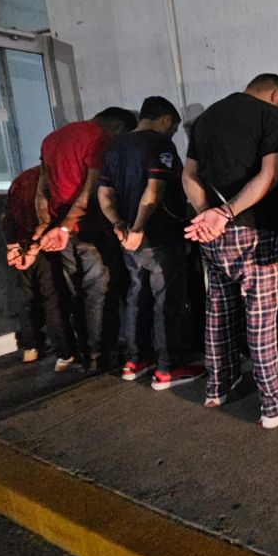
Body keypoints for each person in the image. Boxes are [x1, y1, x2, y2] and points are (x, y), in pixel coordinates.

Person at [182, 74, 278, 428]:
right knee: (263, 318)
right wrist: (225, 214)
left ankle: (217, 387)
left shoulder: (205, 118)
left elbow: (188, 175)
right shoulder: (272, 118)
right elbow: (270, 175)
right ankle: (273, 404)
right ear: (275, 95)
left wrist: (206, 216)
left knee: (218, 310)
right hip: (255, 232)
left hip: (212, 234)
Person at [98, 96, 204, 390]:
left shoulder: (114, 147)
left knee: (136, 296)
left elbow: (104, 195)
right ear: (166, 120)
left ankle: (136, 360)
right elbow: (154, 191)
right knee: (167, 300)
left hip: (128, 241)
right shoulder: (160, 144)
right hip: (159, 236)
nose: (172, 134)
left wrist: (120, 226)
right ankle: (169, 366)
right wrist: (138, 228)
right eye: (173, 128)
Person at [35, 107, 137, 372]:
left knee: (76, 291)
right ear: (118, 127)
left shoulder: (51, 138)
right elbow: (91, 191)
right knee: (99, 290)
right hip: (90, 230)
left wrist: (48, 224)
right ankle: (100, 354)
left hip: (62, 232)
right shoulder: (98, 138)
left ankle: (85, 352)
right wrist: (68, 225)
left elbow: (42, 189)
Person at [1, 165, 76, 368]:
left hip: (21, 244)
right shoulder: (54, 176)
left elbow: (7, 216)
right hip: (47, 245)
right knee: (52, 299)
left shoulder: (21, 179)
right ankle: (64, 352)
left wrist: (13, 247)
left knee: (27, 298)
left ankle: (31, 347)